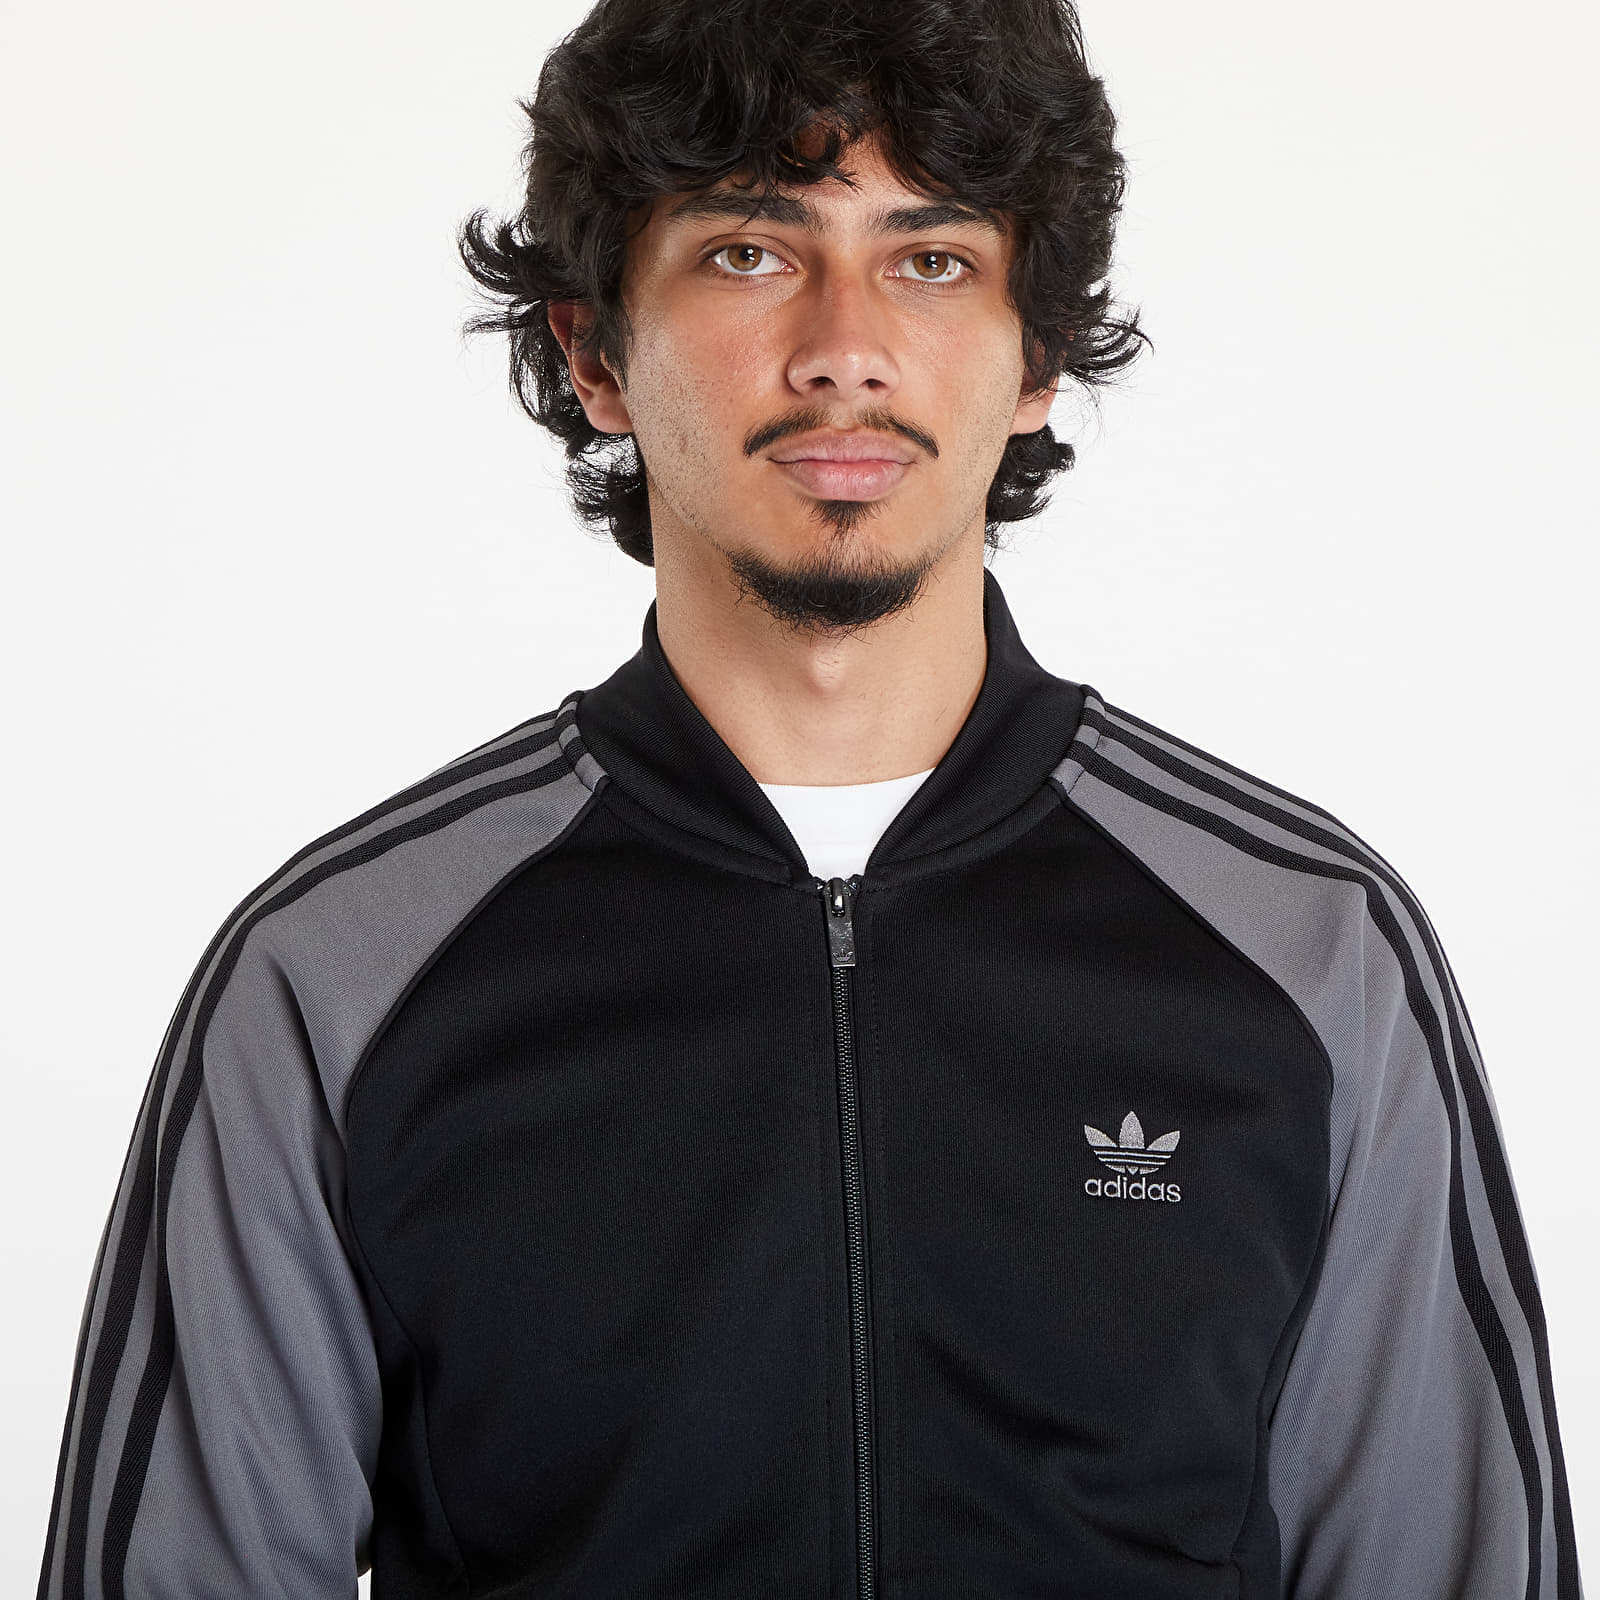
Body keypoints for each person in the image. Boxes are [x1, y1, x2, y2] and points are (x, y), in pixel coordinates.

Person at [37, 0, 1582, 1595]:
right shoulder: (341, 976)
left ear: (1038, 357)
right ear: (594, 355)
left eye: (934, 260)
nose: (846, 344)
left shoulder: (1312, 955)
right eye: (749, 252)